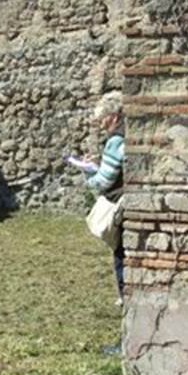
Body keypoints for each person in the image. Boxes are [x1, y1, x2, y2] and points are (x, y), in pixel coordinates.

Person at [84, 91, 125, 301]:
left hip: (119, 202)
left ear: (114, 117)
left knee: (120, 253)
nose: (101, 124)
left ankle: (125, 296)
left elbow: (103, 182)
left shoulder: (115, 141)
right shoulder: (129, 135)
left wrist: (88, 171)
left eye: (103, 119)